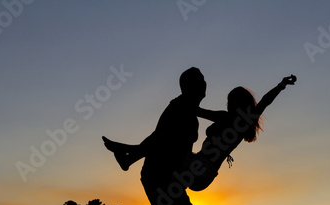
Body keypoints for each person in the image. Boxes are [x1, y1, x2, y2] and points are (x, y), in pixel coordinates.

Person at [104, 74, 297, 190]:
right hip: (201, 171)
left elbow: (196, 110)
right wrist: (282, 85)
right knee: (168, 141)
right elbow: (264, 101)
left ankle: (131, 152)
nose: (228, 103)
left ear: (236, 103)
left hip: (199, 170)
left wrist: (178, 103)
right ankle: (129, 157)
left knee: (168, 138)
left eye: (230, 100)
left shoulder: (229, 118)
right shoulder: (242, 121)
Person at [104, 67, 208, 205]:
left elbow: (159, 139)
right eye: (199, 80)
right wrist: (129, 150)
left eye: (203, 80)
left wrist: (130, 153)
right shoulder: (180, 106)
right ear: (187, 87)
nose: (204, 84)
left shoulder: (186, 111)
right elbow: (158, 141)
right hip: (158, 174)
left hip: (167, 174)